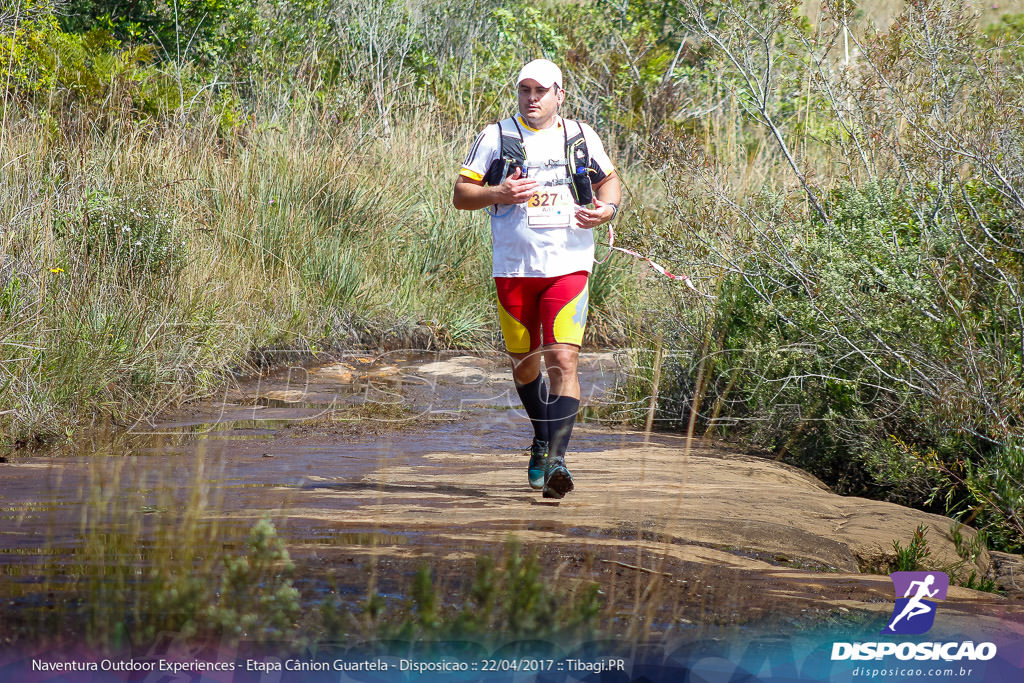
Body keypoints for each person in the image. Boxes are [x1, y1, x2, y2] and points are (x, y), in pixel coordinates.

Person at [452, 59, 621, 499]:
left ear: (559, 94)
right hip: (513, 269)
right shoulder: (496, 136)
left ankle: (558, 463)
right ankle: (542, 441)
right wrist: (497, 193)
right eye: (525, 90)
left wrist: (607, 210)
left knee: (562, 360)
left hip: (569, 265)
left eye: (541, 91)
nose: (532, 98)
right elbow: (460, 194)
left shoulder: (581, 137)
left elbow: (610, 183)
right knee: (525, 365)